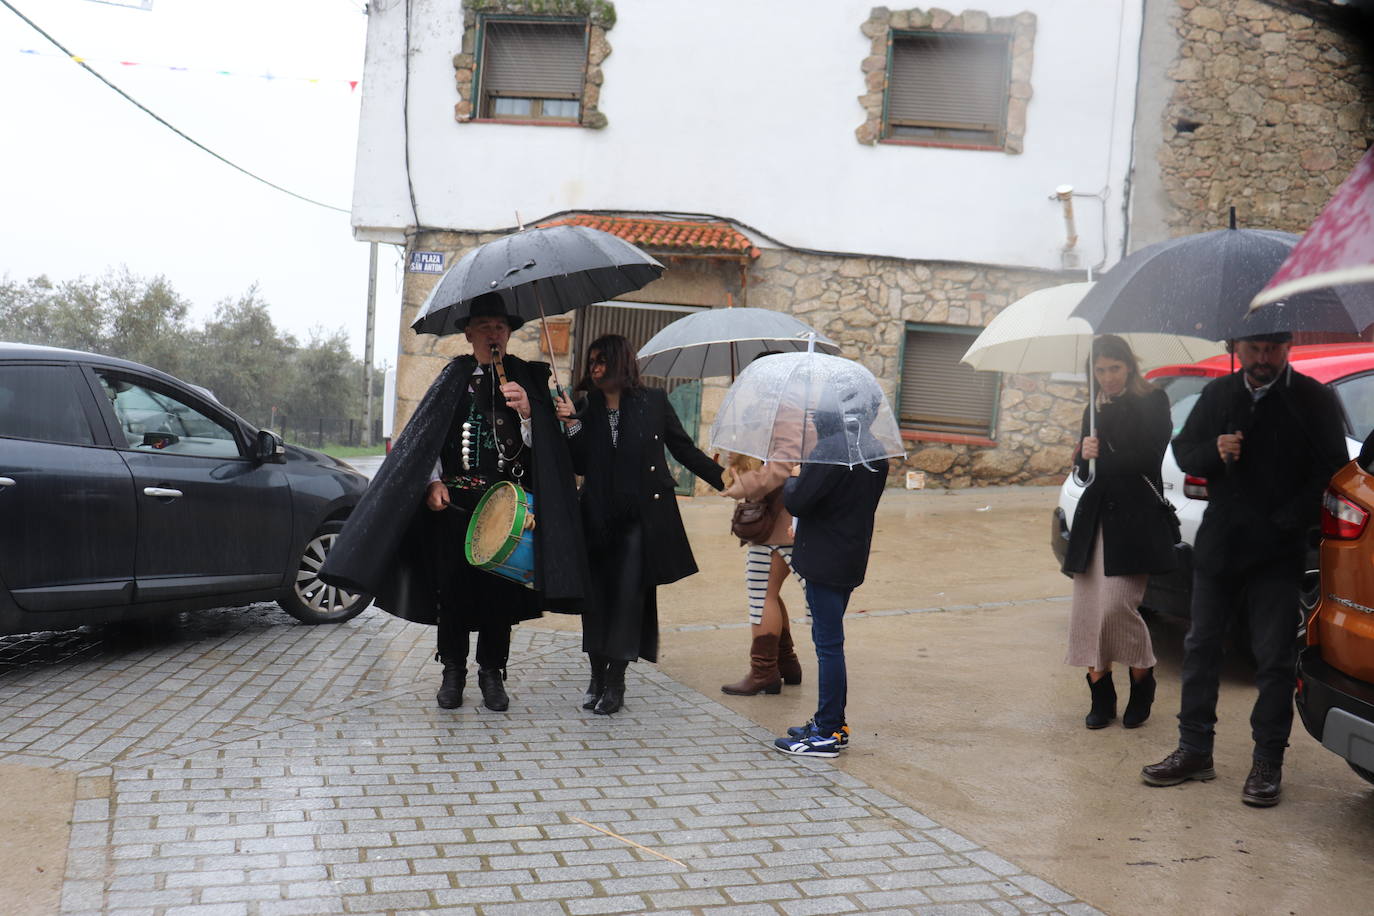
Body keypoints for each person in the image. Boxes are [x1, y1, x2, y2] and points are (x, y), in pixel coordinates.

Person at [320, 292, 587, 712]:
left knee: (500, 595)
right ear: (468, 333)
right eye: (484, 327)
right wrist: (431, 483)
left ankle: (492, 674)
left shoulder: (528, 379)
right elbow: (424, 441)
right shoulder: (453, 377)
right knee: (455, 593)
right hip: (457, 507)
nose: (493, 334)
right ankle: (453, 673)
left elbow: (547, 453)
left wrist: (530, 413)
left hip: (508, 507)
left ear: (509, 332)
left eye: (500, 327)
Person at [1141, 330, 1346, 807]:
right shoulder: (1220, 394)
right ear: (1239, 350)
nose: (1262, 359)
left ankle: (1267, 762)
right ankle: (1194, 751)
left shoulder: (1312, 399)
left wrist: (1287, 519)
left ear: (1287, 349)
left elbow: (1333, 471)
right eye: (1253, 350)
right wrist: (1217, 451)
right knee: (1201, 648)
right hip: (1219, 547)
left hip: (1277, 553)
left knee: (1273, 660)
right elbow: (1185, 451)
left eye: (1272, 350)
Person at [555, 334, 725, 715]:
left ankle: (616, 682)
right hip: (597, 518)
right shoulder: (585, 406)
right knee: (596, 602)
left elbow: (683, 448)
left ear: (622, 364)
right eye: (592, 362)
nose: (595, 369)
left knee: (629, 603)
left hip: (640, 521)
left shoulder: (653, 403)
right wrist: (570, 423)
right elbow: (579, 463)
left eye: (602, 361)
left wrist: (723, 479)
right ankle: (596, 675)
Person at [1061, 335, 1176, 729]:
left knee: (1116, 606)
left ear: (1129, 366)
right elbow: (1085, 475)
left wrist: (1101, 452)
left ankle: (1142, 674)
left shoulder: (1153, 400)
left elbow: (1148, 454)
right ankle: (1100, 689)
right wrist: (1081, 457)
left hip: (1134, 521)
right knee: (1088, 611)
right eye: (1100, 369)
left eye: (1114, 368)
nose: (1107, 377)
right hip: (1094, 521)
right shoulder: (1092, 408)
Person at [773, 396, 890, 757]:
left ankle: (826, 732)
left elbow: (798, 501)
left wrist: (794, 477)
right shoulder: (874, 448)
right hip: (850, 557)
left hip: (824, 559)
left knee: (828, 645)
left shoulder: (830, 450)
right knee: (831, 641)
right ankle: (834, 723)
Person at [718, 449, 806, 696]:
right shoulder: (802, 425)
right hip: (791, 522)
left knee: (762, 596)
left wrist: (741, 477)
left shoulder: (777, 428)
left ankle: (763, 672)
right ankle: (786, 663)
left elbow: (770, 477)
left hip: (775, 526)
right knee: (771, 593)